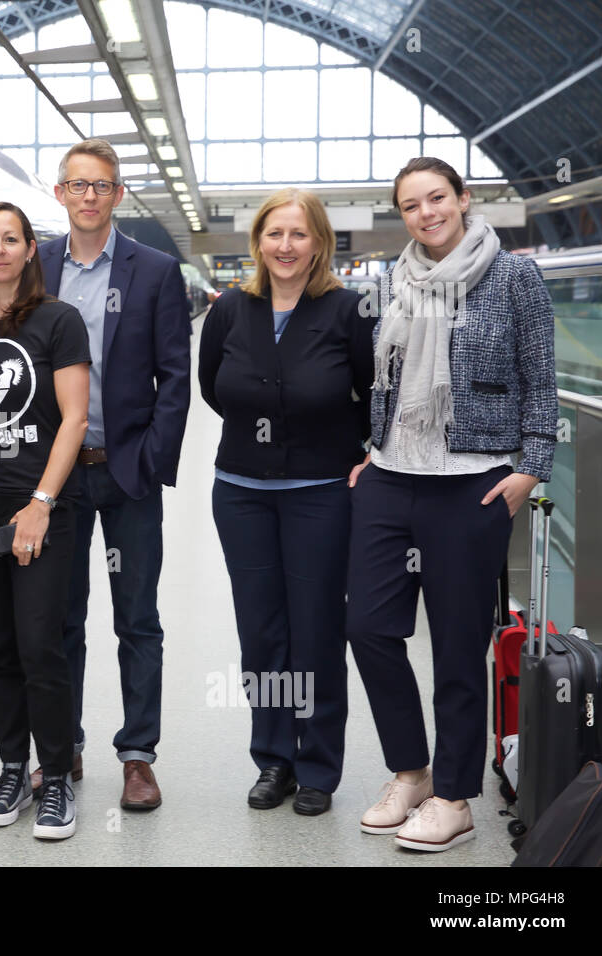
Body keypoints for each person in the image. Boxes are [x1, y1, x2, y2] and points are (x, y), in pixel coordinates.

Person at [348, 156, 556, 851]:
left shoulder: (514, 276)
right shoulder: (391, 281)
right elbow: (381, 381)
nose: (426, 212)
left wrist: (532, 470)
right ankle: (410, 770)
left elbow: (541, 377)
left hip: (473, 479)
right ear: (402, 216)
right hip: (389, 476)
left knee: (460, 647)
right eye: (411, 204)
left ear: (464, 199)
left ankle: (454, 796)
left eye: (437, 197)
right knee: (370, 628)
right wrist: (368, 448)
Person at [198, 188, 371, 816]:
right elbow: (214, 389)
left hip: (322, 494)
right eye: (275, 234)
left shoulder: (348, 311)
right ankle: (274, 759)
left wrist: (357, 450)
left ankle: (319, 765)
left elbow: (372, 391)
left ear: (319, 242)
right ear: (258, 242)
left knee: (317, 631)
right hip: (241, 492)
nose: (286, 246)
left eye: (299, 234)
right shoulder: (229, 312)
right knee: (262, 633)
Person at [32, 139, 190, 810]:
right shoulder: (36, 267)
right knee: (59, 619)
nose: (89, 196)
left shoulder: (153, 271)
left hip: (126, 477)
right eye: (78, 185)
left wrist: (150, 461)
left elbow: (176, 378)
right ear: (60, 193)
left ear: (117, 195)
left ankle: (137, 756)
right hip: (58, 480)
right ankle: (62, 746)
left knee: (137, 620)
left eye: (102, 186)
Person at [0, 201, 90, 839]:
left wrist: (40, 503)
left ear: (31, 249)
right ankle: (11, 767)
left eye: (11, 238)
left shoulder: (60, 321)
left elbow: (75, 419)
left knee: (40, 644)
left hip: (42, 503)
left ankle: (54, 776)